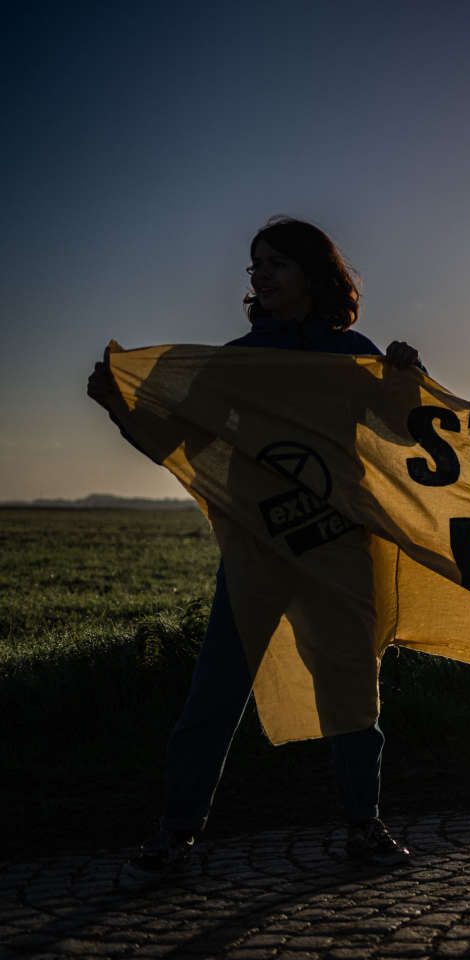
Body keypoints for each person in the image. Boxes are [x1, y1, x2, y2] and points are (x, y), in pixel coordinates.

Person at [87, 216, 421, 873]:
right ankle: (175, 834)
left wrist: (405, 378)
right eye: (255, 264)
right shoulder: (235, 363)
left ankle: (364, 827)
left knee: (352, 688)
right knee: (215, 692)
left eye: (277, 264)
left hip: (337, 544)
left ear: (313, 275)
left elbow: (404, 436)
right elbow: (182, 446)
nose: (261, 275)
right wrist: (118, 409)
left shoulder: (352, 357)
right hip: (256, 550)